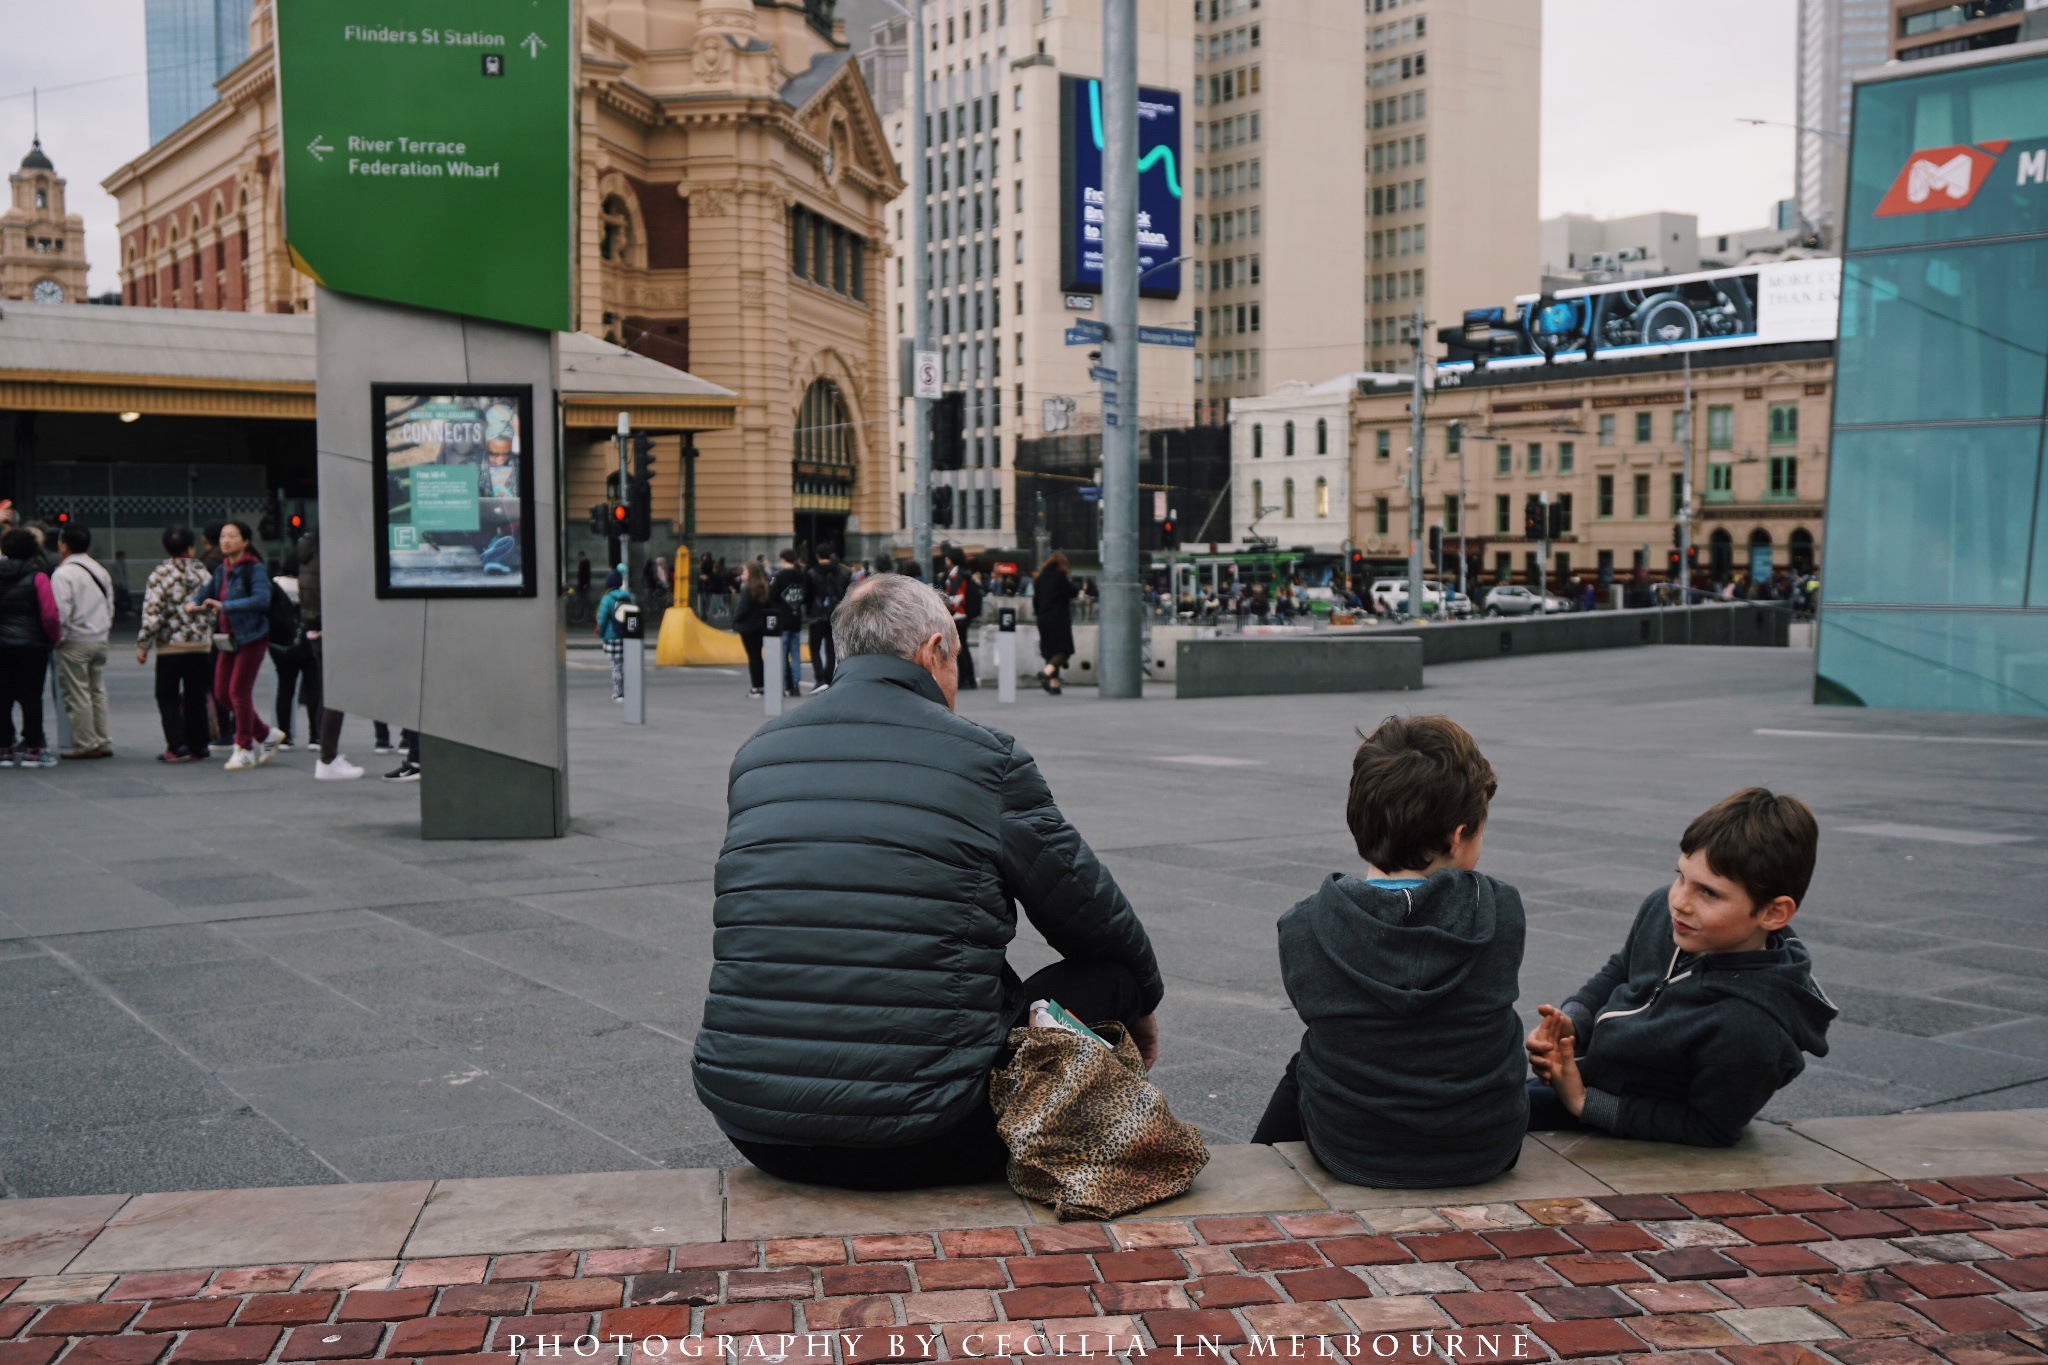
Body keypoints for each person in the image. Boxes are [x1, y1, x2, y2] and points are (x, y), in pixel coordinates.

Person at [694, 573, 1164, 1191]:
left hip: (757, 1126)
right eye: (956, 664)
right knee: (1115, 974)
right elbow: (1090, 916)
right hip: (928, 1136)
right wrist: (1142, 1000)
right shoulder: (985, 759)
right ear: (931, 650)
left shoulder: (759, 753)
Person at [1250, 715, 1526, 1188]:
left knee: (1317, 1053)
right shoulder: (1501, 909)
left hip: (1349, 1149)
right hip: (1486, 1149)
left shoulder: (1302, 925)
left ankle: (1253, 1165)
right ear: (1459, 836)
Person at [1525, 788, 1835, 1148]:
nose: (1680, 902)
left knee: (1473, 1115)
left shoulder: (1750, 1029)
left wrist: (1583, 1103)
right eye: (1681, 876)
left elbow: (1711, 1127)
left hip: (1616, 1115)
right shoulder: (1667, 912)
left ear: (1773, 913)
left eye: (1709, 893)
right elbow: (1623, 969)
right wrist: (1572, 1023)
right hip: (1583, 1076)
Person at [185, 519, 280, 770]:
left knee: (238, 691)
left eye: (232, 536)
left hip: (252, 637)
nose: (226, 541)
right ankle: (266, 734)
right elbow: (207, 592)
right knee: (221, 693)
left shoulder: (254, 569)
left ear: (245, 541)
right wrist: (194, 603)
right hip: (228, 639)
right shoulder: (222, 569)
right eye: (223, 537)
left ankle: (245, 748)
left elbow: (262, 599)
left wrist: (225, 606)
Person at [134, 527, 215, 763]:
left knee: (167, 695)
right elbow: (213, 608)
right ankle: (199, 746)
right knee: (196, 696)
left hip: (171, 647)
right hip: (200, 646)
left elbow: (153, 613)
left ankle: (177, 745)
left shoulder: (160, 574)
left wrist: (143, 645)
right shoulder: (204, 573)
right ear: (191, 548)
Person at [295, 529, 363, 780]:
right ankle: (328, 758)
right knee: (336, 694)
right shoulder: (330, 552)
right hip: (332, 629)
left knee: (329, 691)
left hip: (316, 628)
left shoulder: (309, 550)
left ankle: (328, 756)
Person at [51, 526, 116, 760]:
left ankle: (86, 744)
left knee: (77, 694)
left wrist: (58, 638)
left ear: (63, 545)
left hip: (75, 641)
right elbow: (110, 605)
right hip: (99, 638)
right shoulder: (100, 570)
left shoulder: (63, 574)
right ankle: (103, 739)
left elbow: (62, 611)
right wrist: (103, 630)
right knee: (97, 690)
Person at [0, 528, 62, 768]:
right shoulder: (39, 577)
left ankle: (4, 749)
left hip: (2, 646)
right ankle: (33, 749)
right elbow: (49, 615)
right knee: (31, 698)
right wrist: (53, 638)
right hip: (33, 647)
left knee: (2, 697)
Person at [267, 556, 314, 748]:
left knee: (285, 688)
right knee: (313, 687)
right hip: (307, 640)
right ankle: (315, 736)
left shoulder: (274, 584)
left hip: (280, 644)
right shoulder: (308, 583)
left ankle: (285, 735)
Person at [805, 550, 849, 691]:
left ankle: (819, 677)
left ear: (817, 556)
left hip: (817, 614)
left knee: (815, 647)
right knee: (831, 648)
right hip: (835, 614)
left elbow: (808, 595)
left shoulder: (811, 573)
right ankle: (829, 677)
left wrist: (808, 611)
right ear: (830, 556)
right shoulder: (841, 572)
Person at [1033, 551, 1075, 695]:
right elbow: (1073, 592)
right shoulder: (1060, 577)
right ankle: (1046, 673)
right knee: (1064, 650)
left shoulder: (1040, 579)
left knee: (1050, 651)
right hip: (1058, 618)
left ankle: (1054, 685)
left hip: (1043, 618)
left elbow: (1035, 601)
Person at [768, 549, 807, 698]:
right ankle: (796, 685)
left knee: (783, 654)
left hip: (782, 619)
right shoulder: (801, 575)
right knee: (796, 654)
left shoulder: (779, 576)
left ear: (783, 559)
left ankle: (784, 684)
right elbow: (805, 594)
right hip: (796, 618)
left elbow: (772, 596)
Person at [944, 550, 982, 691]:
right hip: (963, 615)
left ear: (952, 559)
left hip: (958, 616)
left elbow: (955, 598)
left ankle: (966, 679)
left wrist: (947, 611)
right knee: (963, 648)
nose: (946, 560)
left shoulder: (956, 576)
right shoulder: (964, 575)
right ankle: (969, 678)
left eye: (947, 558)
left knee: (960, 648)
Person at [732, 560, 771, 698]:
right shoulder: (764, 587)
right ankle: (763, 685)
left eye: (745, 571)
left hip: (747, 627)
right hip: (760, 626)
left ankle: (756, 687)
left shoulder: (747, 589)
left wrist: (735, 621)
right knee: (758, 657)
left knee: (752, 657)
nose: (743, 574)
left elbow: (743, 609)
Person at [595, 570, 634, 702]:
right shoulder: (628, 596)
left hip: (612, 636)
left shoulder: (607, 598)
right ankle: (630, 690)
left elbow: (602, 618)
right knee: (626, 664)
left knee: (617, 665)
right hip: (628, 635)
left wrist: (601, 633)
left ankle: (619, 693)